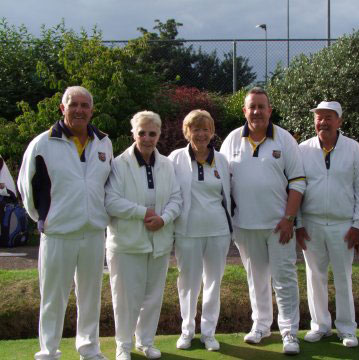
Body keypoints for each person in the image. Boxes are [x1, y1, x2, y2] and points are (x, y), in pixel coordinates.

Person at [17, 86, 112, 360]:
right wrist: (45, 219)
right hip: (58, 234)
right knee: (53, 297)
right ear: (62, 108)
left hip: (94, 232)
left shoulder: (104, 142)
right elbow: (27, 190)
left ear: (91, 110)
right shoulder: (42, 144)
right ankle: (48, 351)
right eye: (74, 104)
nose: (79, 110)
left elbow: (106, 186)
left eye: (85, 105)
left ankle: (89, 348)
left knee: (90, 296)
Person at [220, 87, 306, 355]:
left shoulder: (285, 140)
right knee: (256, 279)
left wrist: (289, 218)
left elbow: (298, 181)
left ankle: (290, 331)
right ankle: (260, 325)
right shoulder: (232, 140)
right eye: (252, 107)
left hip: (278, 225)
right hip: (244, 226)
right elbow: (222, 182)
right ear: (244, 111)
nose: (257, 111)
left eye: (261, 106)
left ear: (270, 110)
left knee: (284, 279)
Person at [105, 111, 182, 360]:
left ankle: (146, 341)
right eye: (142, 133)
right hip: (127, 243)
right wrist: (143, 213)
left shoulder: (167, 165)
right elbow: (111, 201)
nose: (147, 138)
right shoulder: (118, 164)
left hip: (159, 242)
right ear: (133, 134)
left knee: (153, 296)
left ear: (159, 134)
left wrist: (164, 218)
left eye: (152, 133)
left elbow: (176, 199)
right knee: (126, 299)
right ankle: (123, 346)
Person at [296, 101, 359, 348]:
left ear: (339, 120)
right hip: (311, 224)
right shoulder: (303, 149)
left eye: (328, 117)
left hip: (343, 226)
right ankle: (320, 326)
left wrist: (358, 225)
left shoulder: (354, 149)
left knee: (343, 277)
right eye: (319, 117)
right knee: (314, 277)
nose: (323, 122)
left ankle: (347, 329)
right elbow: (295, 188)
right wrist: (298, 223)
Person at [168, 110, 232, 352]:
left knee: (213, 282)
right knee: (188, 283)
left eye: (206, 129)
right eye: (196, 129)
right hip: (187, 232)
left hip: (218, 231)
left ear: (212, 132)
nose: (201, 133)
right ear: (187, 132)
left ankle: (209, 333)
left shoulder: (222, 161)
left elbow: (229, 195)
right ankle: (187, 330)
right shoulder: (175, 159)